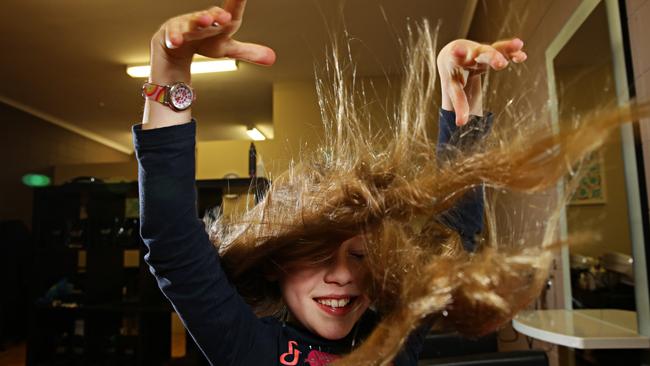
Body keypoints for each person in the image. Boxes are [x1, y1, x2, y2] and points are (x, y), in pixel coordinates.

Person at [134, 0, 635, 365]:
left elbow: (450, 239)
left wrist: (462, 98)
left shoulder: (394, 335)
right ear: (276, 264)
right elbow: (173, 242)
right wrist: (171, 71)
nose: (344, 276)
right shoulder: (247, 346)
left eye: (360, 254)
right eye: (317, 253)